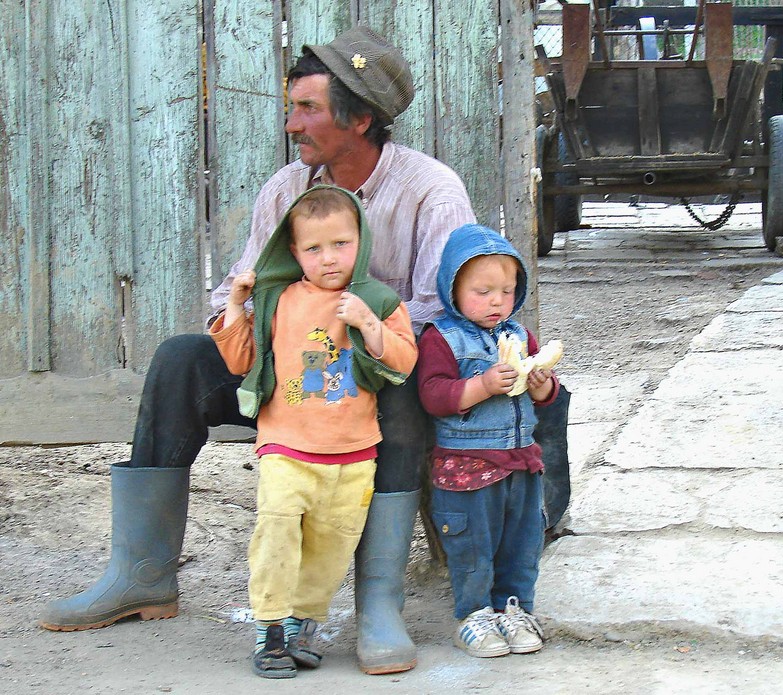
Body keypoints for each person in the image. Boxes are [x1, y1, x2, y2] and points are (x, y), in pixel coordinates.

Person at [40, 26, 476, 676]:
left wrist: (348, 331)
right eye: (291, 105)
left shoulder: (430, 190)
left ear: (360, 119)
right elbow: (232, 287)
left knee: (405, 385)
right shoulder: (286, 188)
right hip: (286, 388)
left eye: (308, 108)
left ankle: (379, 604)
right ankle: (142, 574)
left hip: (370, 388)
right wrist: (252, 317)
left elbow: (441, 315)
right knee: (180, 360)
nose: (292, 122)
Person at [212, 185, 418, 678]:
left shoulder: (378, 301)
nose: (329, 259)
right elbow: (240, 359)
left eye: (341, 244)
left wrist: (369, 324)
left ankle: (304, 626)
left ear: (361, 242)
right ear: (293, 251)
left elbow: (404, 362)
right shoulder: (277, 299)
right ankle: (270, 631)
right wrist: (237, 305)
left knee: (332, 545)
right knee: (278, 530)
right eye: (314, 248)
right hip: (285, 445)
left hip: (353, 453)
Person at [417, 224, 558, 658]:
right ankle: (474, 613)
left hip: (520, 461)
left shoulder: (519, 336)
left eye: (507, 290)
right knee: (473, 545)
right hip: (467, 468)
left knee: (523, 538)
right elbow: (434, 395)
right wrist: (482, 385)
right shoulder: (441, 338)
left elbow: (546, 398)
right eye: (482, 291)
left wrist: (540, 383)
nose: (497, 301)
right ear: (453, 289)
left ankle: (513, 608)